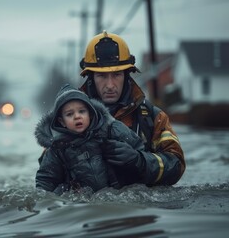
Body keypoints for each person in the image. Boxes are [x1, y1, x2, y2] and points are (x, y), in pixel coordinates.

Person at [79, 31, 185, 187]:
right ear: (91, 79)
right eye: (101, 76)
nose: (110, 85)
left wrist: (141, 161)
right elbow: (49, 170)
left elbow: (176, 164)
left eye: (117, 75)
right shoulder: (70, 119)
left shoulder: (153, 117)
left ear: (127, 75)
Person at [35, 84, 144, 194]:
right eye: (69, 114)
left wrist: (134, 158)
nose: (77, 116)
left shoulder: (112, 129)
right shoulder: (58, 148)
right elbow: (45, 181)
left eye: (82, 111)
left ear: (90, 113)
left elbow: (140, 149)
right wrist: (65, 190)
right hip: (81, 202)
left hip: (118, 195)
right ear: (62, 121)